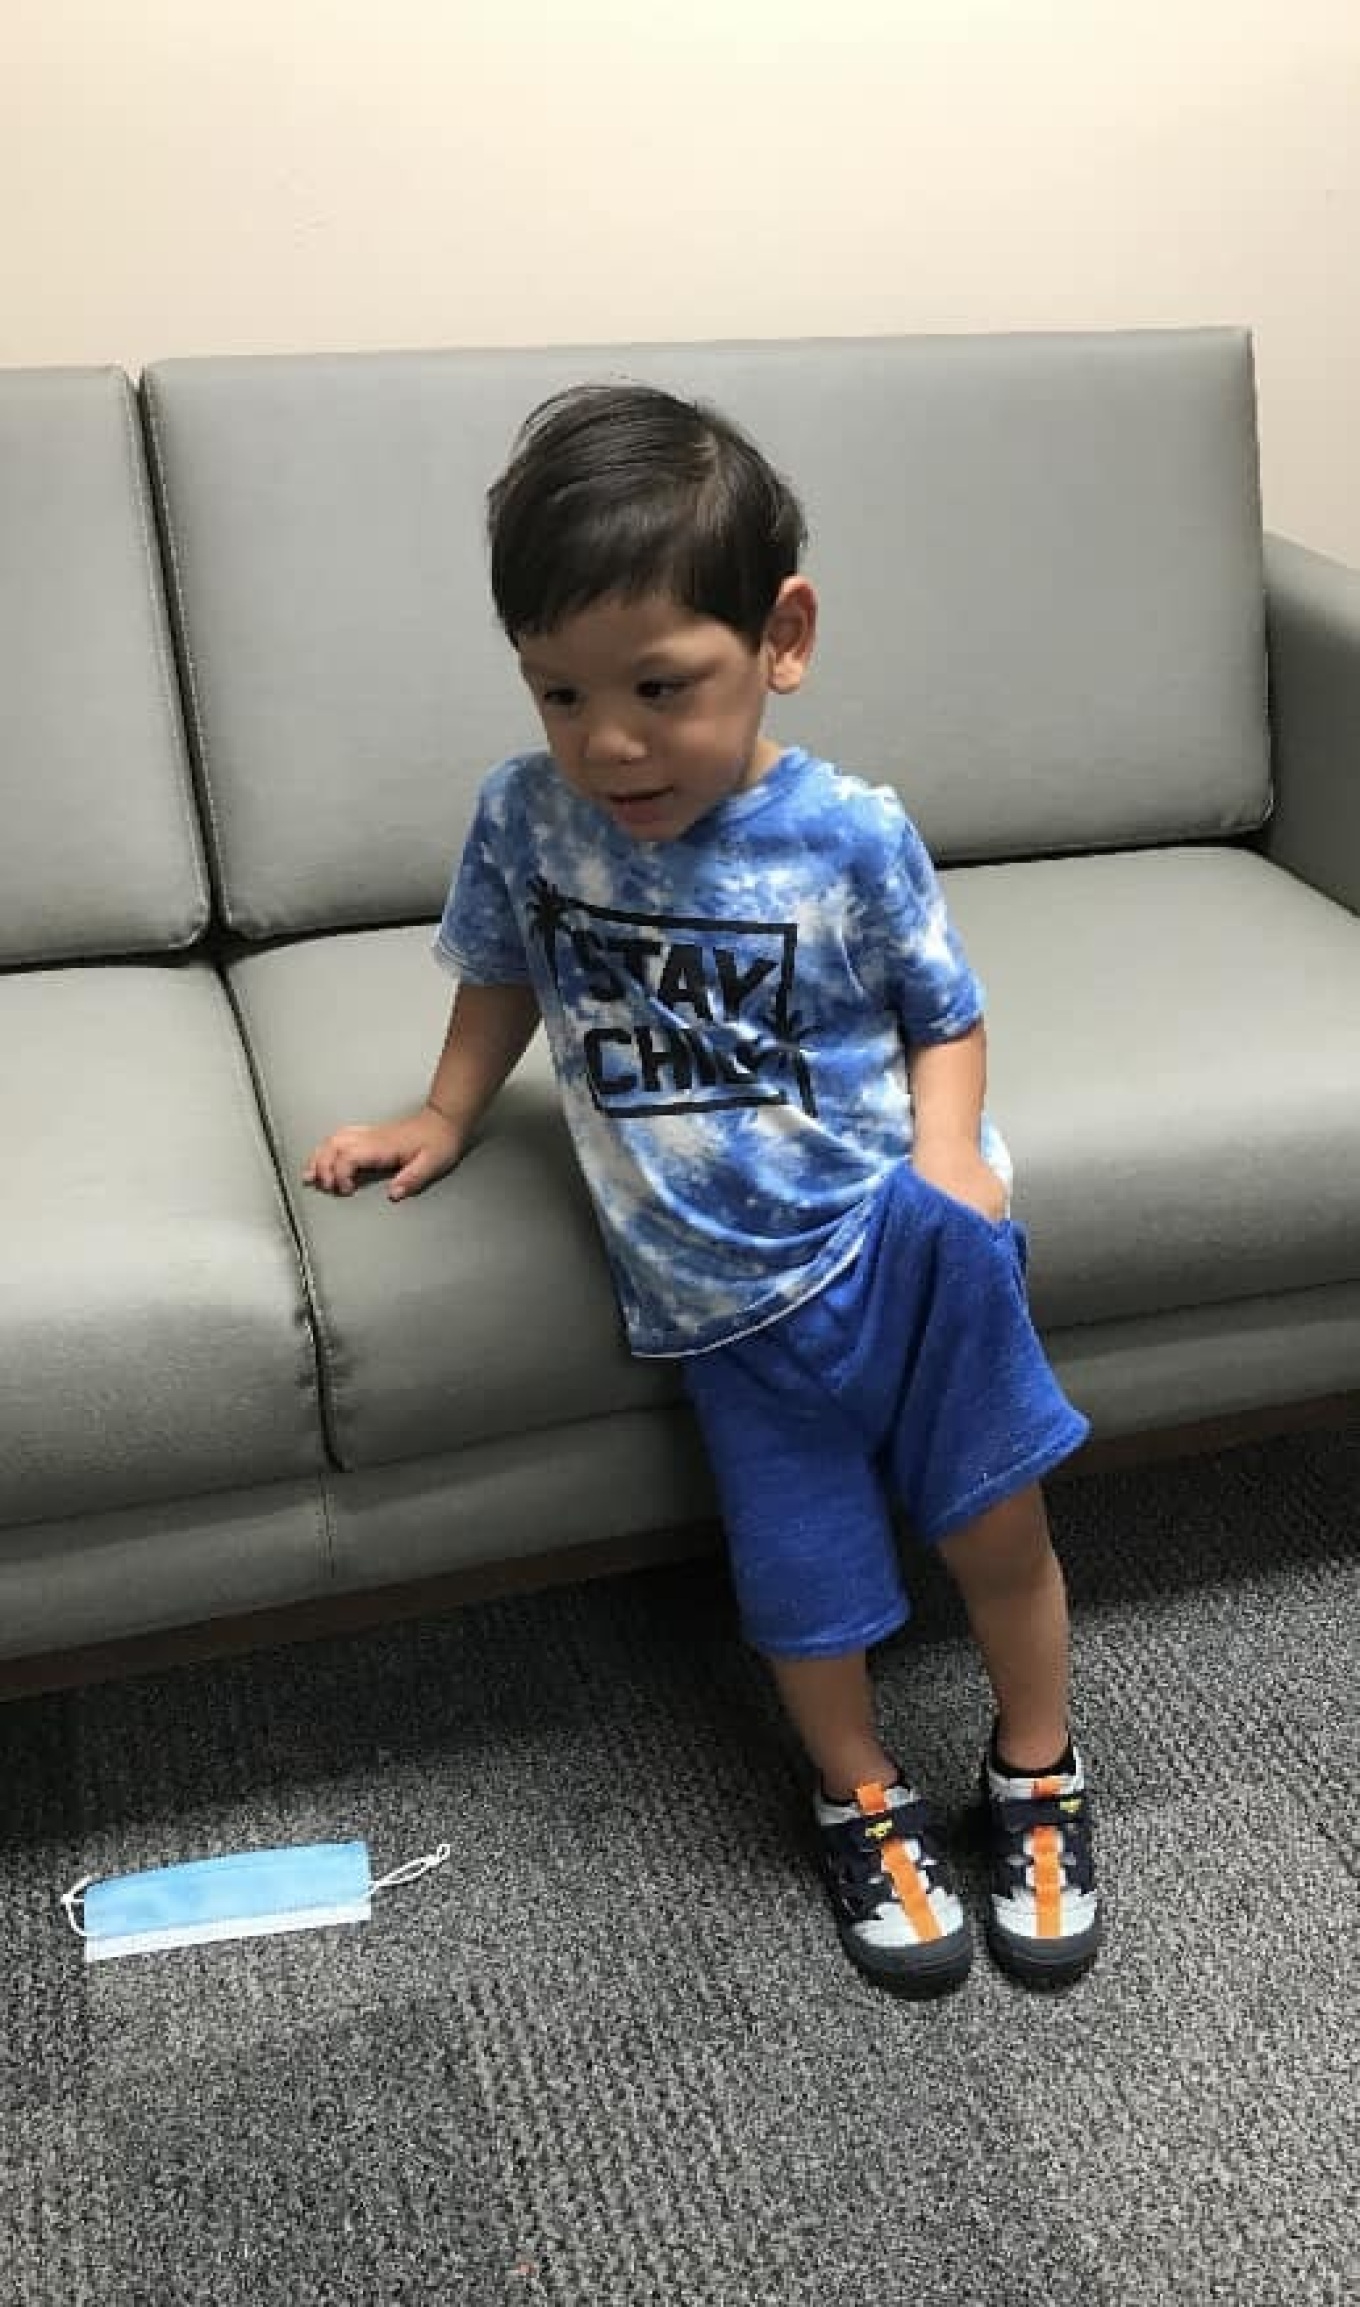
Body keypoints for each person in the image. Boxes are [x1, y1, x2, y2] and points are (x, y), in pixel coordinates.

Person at [304, 382, 1100, 1997]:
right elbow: (500, 970)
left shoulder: (848, 833)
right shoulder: (528, 819)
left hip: (903, 1251)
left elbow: (946, 1014)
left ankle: (1038, 1770)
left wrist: (952, 1157)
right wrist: (448, 1113)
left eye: (659, 686)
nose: (608, 741)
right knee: (803, 1590)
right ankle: (860, 1797)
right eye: (561, 692)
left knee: (997, 1531)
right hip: (722, 1305)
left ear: (780, 637)